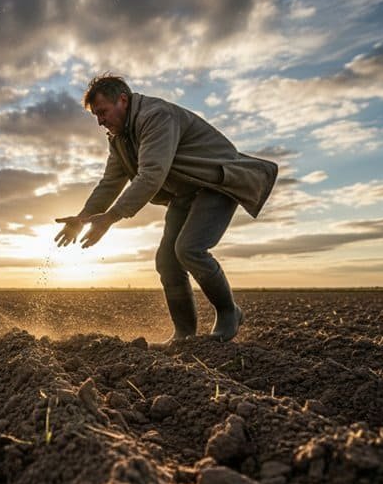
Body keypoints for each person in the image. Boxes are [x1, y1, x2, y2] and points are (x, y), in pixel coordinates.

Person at [55, 74, 278, 344]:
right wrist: (82, 218)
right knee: (167, 261)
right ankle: (184, 333)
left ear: (122, 100)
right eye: (97, 117)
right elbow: (110, 183)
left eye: (102, 112)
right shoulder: (119, 138)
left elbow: (151, 175)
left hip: (215, 184)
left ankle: (230, 311)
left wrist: (111, 218)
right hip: (184, 193)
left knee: (189, 249)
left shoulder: (156, 116)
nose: (101, 121)